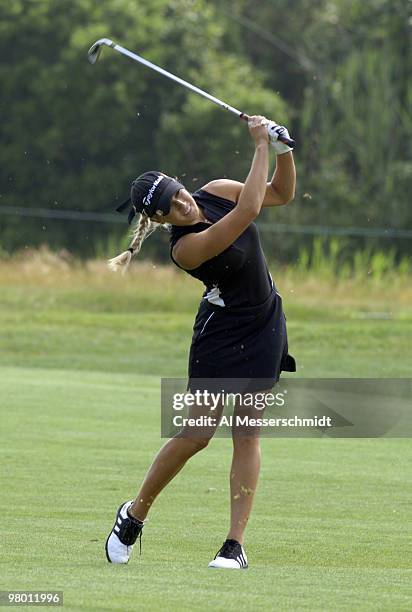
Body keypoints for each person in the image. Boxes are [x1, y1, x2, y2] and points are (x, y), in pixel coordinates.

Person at [105, 115, 296, 569]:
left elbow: (278, 195)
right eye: (170, 208)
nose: (183, 206)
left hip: (265, 322)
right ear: (157, 219)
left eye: (179, 194)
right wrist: (259, 146)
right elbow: (248, 212)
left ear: (181, 184)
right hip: (221, 336)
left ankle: (234, 545)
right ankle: (133, 515)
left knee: (247, 433)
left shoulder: (215, 190)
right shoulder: (183, 249)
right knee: (197, 434)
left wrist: (284, 150)